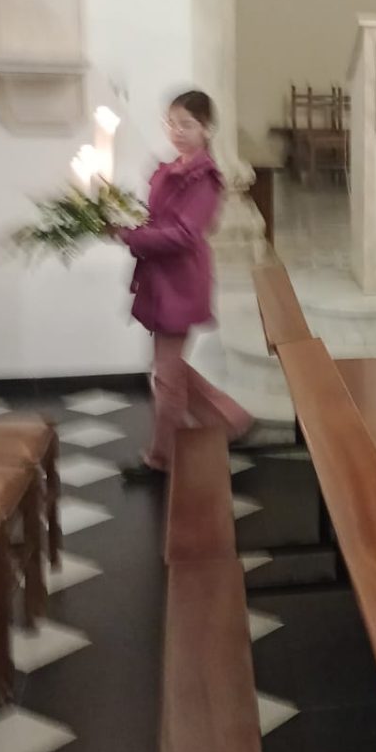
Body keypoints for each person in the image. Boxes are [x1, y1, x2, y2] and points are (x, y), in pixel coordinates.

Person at [114, 91, 253, 482]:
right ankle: (231, 419)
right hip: (161, 277)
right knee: (168, 368)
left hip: (180, 280)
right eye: (171, 123)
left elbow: (184, 234)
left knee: (167, 377)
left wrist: (131, 236)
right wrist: (122, 217)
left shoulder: (204, 178)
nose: (176, 131)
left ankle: (161, 458)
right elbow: (157, 219)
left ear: (206, 128)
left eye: (186, 124)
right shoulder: (172, 168)